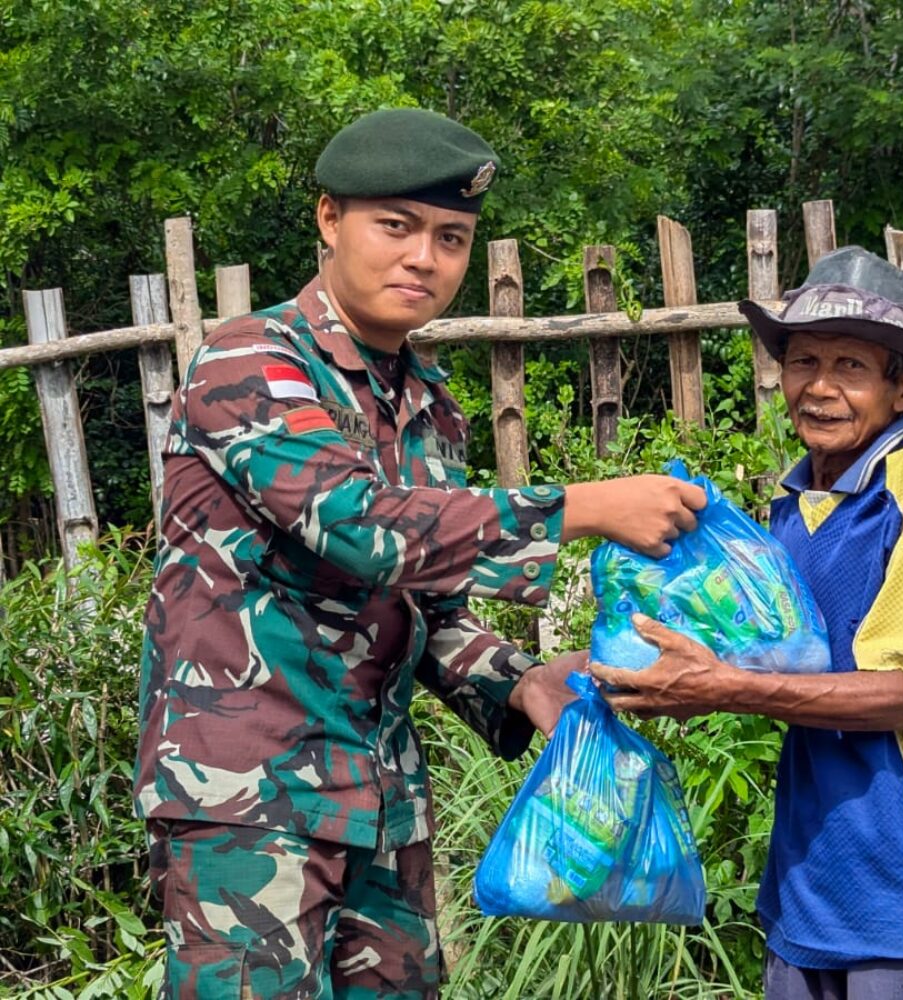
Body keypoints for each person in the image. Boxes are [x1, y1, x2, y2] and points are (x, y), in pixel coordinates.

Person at [133, 107, 705, 999]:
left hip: (378, 801)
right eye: (394, 226)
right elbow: (360, 526)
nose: (423, 258)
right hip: (249, 801)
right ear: (330, 220)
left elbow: (424, 603)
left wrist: (520, 682)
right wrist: (585, 508)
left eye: (451, 237)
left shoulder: (428, 404)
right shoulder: (250, 361)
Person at [592, 246, 903, 1000]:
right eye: (802, 362)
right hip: (808, 893)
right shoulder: (791, 510)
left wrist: (725, 687)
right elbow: (743, 662)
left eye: (851, 367)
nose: (819, 388)